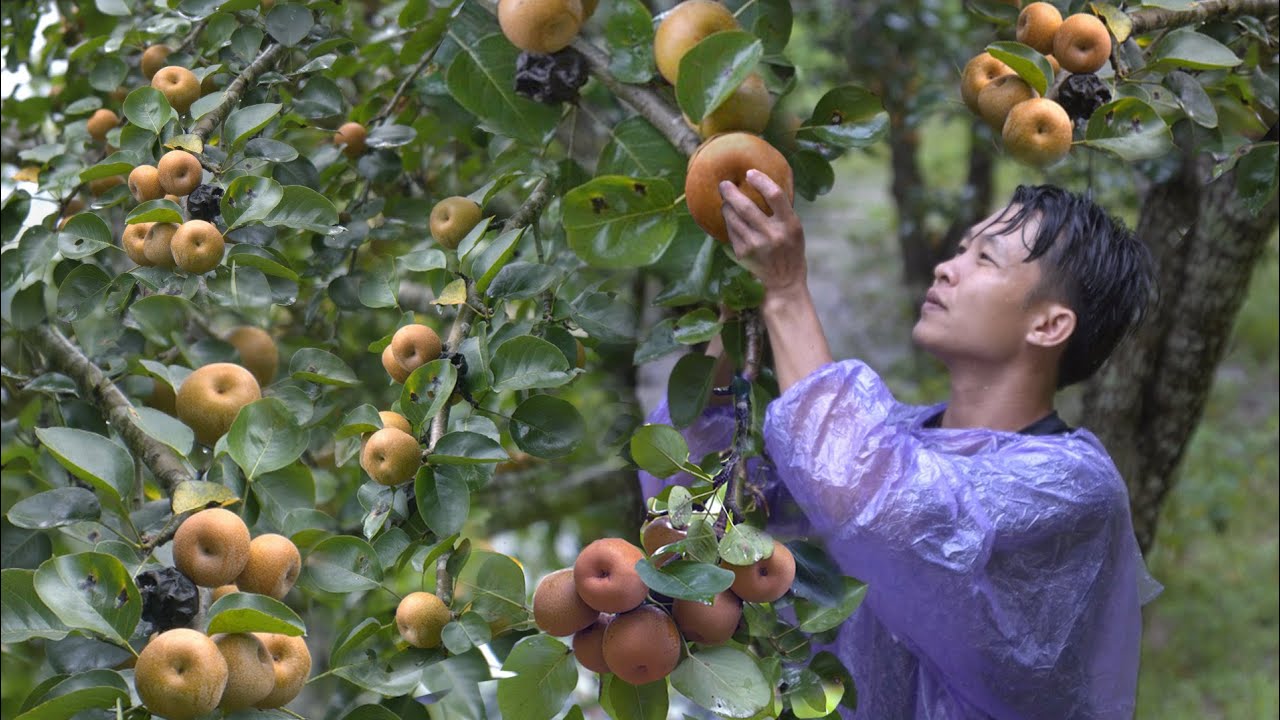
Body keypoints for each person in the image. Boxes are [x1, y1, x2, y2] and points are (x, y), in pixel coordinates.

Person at [640, 175, 1160, 718]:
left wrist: (787, 293)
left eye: (985, 259)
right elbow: (697, 491)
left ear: (1050, 325)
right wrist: (736, 310)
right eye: (961, 248)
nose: (946, 266)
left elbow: (879, 504)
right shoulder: (896, 441)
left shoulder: (1072, 487)